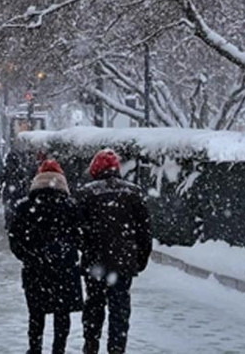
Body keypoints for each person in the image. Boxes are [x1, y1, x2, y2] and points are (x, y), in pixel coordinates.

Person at [76, 149, 152, 354]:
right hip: (123, 261)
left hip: (96, 261)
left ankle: (91, 342)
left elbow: (78, 230)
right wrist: (141, 257)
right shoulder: (133, 193)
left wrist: (86, 248)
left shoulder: (86, 193)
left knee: (94, 304)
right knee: (119, 307)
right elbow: (144, 231)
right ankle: (117, 347)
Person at [8, 160, 84, 354]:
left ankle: (35, 348)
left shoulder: (25, 206)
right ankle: (59, 349)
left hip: (36, 268)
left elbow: (15, 239)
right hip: (64, 268)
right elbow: (81, 237)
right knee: (62, 313)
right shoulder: (70, 206)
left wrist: (28, 256)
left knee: (36, 313)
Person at [2, 146, 43, 231]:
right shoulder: (21, 168)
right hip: (19, 190)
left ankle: (8, 222)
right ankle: (15, 220)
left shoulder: (7, 168)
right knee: (16, 206)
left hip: (9, 190)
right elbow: (25, 179)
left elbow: (2, 178)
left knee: (9, 206)